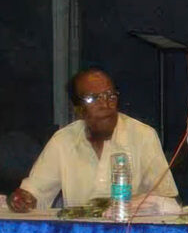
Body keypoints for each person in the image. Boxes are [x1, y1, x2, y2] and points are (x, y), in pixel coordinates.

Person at [7, 67, 178, 211]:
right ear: (78, 109)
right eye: (93, 98)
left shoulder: (142, 136)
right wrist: (23, 200)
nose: (105, 104)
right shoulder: (63, 141)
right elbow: (35, 192)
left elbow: (167, 200)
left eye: (110, 95)